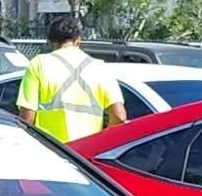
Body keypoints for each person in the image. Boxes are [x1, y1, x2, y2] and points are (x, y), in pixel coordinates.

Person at [15, 12, 125, 143]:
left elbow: (27, 117)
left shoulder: (38, 64)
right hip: (86, 155)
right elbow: (119, 116)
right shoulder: (100, 67)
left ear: (49, 42)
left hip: (50, 151)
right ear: (78, 40)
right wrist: (101, 143)